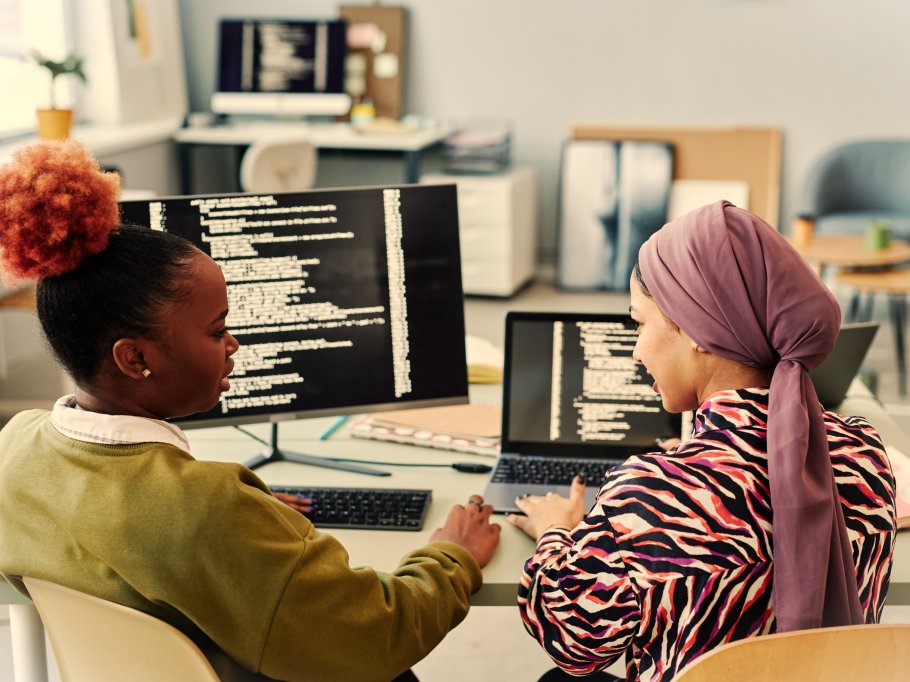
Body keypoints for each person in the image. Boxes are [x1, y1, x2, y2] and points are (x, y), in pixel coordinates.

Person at [0, 140, 501, 682]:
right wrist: (453, 556)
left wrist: (247, 525)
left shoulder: (17, 446)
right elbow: (379, 635)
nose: (233, 344)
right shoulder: (204, 511)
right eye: (216, 330)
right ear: (135, 357)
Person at [507, 200, 896, 682]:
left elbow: (571, 641)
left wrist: (555, 533)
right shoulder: (865, 455)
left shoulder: (652, 493)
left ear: (695, 329)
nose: (636, 350)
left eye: (639, 323)